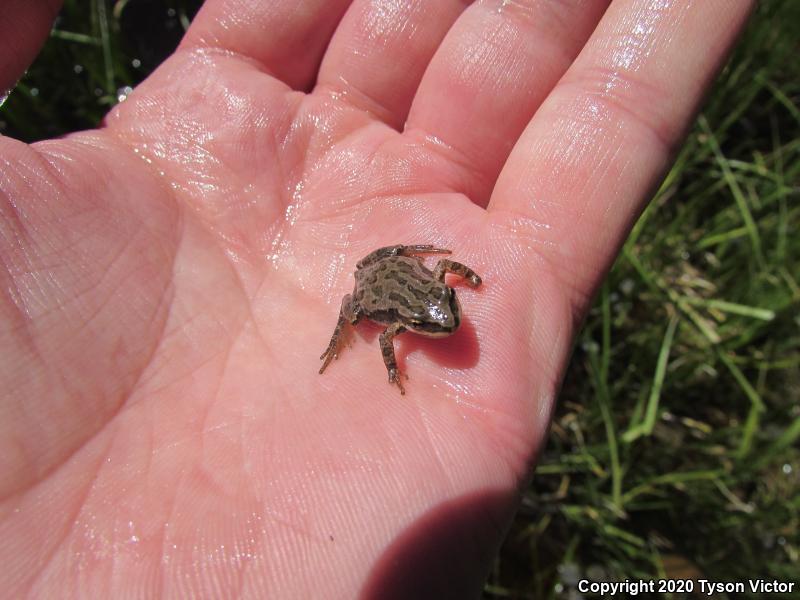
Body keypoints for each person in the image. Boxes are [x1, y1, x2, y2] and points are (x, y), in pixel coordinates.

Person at [1, 0, 753, 597]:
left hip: (394, 268)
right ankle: (336, 342)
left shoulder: (433, 300)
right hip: (374, 280)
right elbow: (390, 328)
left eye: (445, 316)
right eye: (442, 319)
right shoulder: (396, 320)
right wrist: (386, 363)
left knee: (394, 270)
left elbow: (448, 273)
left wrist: (459, 277)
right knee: (356, 304)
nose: (449, 323)